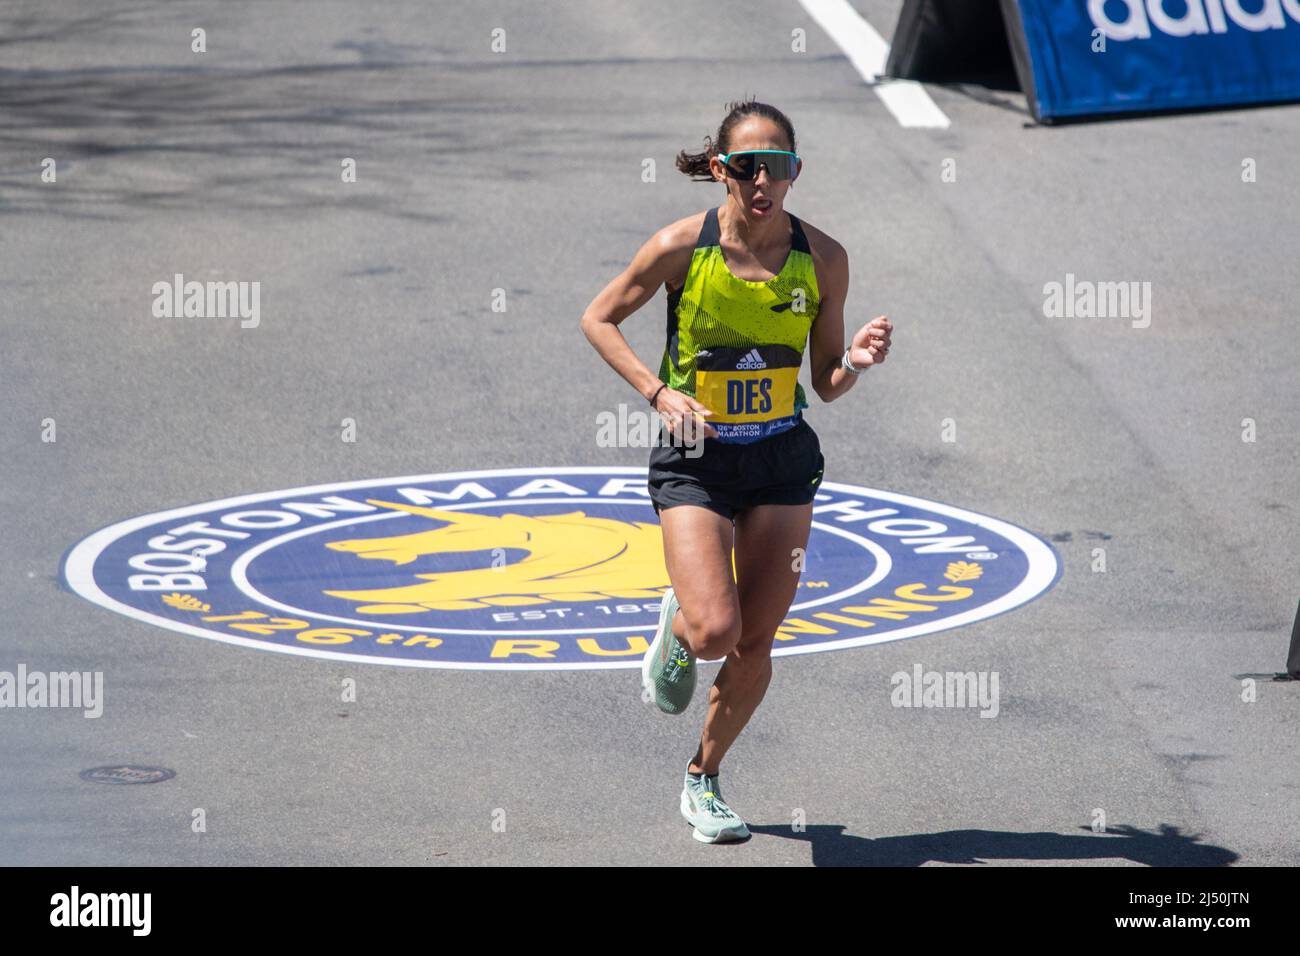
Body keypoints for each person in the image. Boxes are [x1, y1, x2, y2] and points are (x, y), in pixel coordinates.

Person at [580, 99, 892, 843]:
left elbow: (825, 380)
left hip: (782, 459)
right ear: (720, 170)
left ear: (795, 173)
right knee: (717, 629)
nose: (762, 180)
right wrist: (657, 392)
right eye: (747, 166)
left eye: (776, 166)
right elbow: (598, 318)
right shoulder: (681, 249)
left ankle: (703, 779)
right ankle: (680, 627)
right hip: (699, 461)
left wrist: (854, 362)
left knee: (756, 641)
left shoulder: (824, 260)